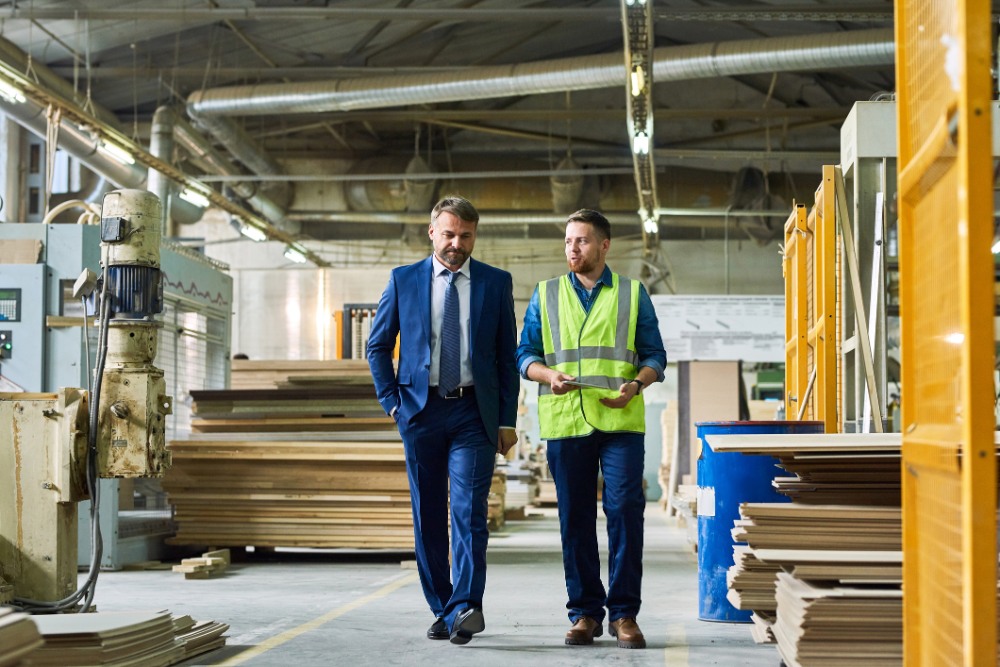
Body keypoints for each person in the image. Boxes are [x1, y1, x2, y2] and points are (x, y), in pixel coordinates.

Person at [367, 195, 519, 645]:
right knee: (427, 513)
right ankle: (443, 606)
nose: (457, 243)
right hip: (420, 411)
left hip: (474, 412)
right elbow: (377, 347)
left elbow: (506, 359)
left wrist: (506, 420)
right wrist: (393, 404)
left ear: (475, 235)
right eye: (449, 234)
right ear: (432, 232)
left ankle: (467, 606)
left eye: (466, 236)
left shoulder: (495, 283)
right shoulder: (403, 281)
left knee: (469, 511)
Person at [516, 209, 666, 650]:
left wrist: (637, 384)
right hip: (566, 420)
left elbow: (656, 356)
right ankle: (584, 612)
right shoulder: (544, 295)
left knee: (623, 511)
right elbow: (524, 354)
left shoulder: (633, 294)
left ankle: (624, 615)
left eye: (581, 241)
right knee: (575, 518)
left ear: (604, 246)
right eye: (567, 241)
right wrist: (548, 377)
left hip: (620, 419)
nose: (572, 249)